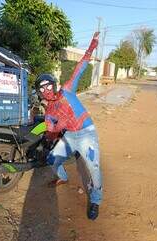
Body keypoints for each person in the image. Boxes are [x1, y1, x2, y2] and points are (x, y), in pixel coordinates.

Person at [35, 32, 102, 220]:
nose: (45, 90)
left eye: (47, 85)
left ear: (54, 84)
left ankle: (96, 200)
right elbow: (50, 129)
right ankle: (63, 178)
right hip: (70, 136)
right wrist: (48, 139)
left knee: (93, 168)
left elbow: (80, 68)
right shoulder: (49, 110)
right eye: (41, 88)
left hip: (86, 132)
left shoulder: (67, 89)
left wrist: (91, 46)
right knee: (51, 160)